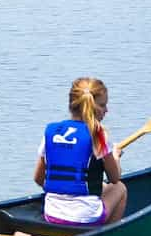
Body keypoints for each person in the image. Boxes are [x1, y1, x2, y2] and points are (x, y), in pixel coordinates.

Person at [33, 77, 128, 225]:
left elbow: (38, 179)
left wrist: (64, 191)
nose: (106, 110)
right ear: (93, 107)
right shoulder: (98, 134)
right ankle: (106, 235)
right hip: (85, 216)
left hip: (51, 214)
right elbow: (115, 178)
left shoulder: (51, 131)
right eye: (103, 105)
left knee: (101, 185)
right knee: (120, 188)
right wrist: (115, 156)